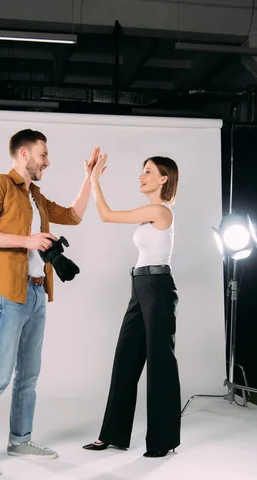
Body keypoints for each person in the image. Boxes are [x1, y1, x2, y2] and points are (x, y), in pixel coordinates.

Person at [0, 129, 99, 476]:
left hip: (37, 292)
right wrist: (27, 239)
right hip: (8, 292)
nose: (47, 162)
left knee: (29, 374)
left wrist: (89, 178)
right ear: (24, 154)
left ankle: (20, 439)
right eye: (43, 155)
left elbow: (74, 215)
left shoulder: (36, 195)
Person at [83, 153, 181, 458]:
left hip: (157, 287)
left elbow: (106, 215)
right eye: (142, 171)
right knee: (125, 358)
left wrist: (94, 180)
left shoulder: (160, 210)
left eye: (148, 172)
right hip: (140, 286)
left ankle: (163, 441)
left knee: (160, 364)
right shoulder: (149, 212)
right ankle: (112, 434)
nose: (142, 176)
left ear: (164, 179)